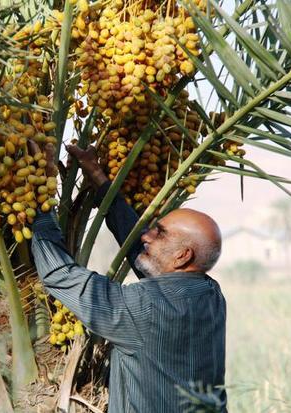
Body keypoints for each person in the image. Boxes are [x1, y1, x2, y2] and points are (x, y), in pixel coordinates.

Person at [30, 143, 227, 413]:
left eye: (160, 233)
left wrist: (42, 193)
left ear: (182, 256)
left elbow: (59, 275)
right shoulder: (210, 294)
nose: (147, 236)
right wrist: (99, 181)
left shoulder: (144, 307)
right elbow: (140, 251)